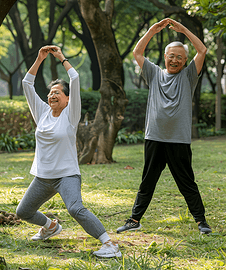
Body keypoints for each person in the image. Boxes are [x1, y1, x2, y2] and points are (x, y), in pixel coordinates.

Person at [16, 45, 121, 258]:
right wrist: (39, 59)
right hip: (43, 177)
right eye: (50, 93)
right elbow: (27, 83)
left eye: (57, 92)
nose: (52, 95)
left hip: (66, 175)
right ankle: (51, 226)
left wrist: (61, 58)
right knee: (23, 212)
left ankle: (109, 245)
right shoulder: (42, 112)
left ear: (67, 99)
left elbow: (75, 79)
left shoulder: (70, 115)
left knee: (75, 209)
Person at [117, 18, 212, 235]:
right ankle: (134, 219)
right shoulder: (154, 73)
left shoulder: (189, 77)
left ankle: (201, 221)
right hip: (155, 137)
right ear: (165, 58)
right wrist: (152, 30)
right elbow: (137, 53)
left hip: (178, 140)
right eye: (172, 56)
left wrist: (183, 30)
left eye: (180, 57)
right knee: (147, 181)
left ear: (186, 60)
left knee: (187, 183)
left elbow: (203, 50)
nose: (175, 60)